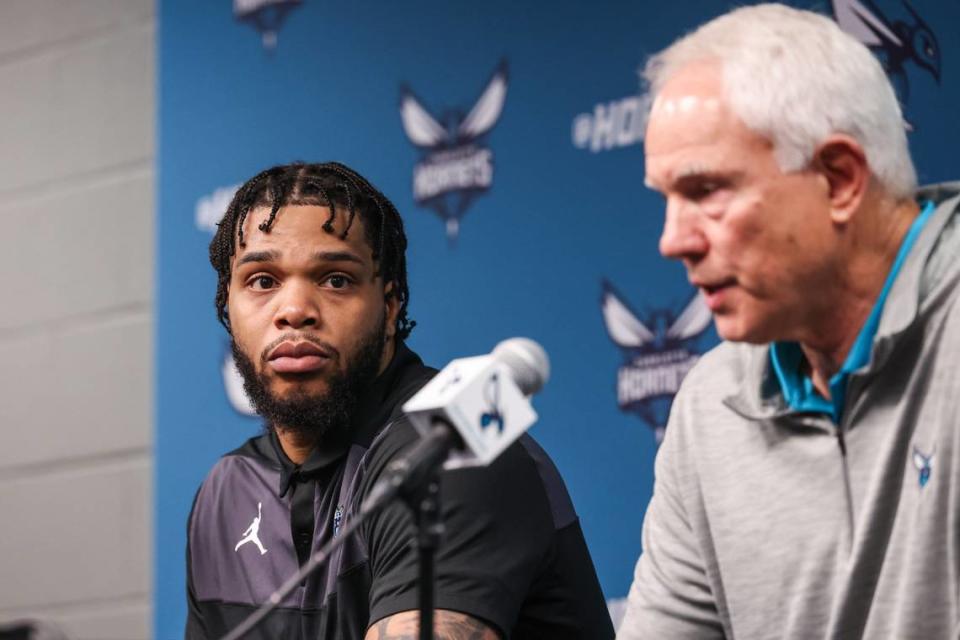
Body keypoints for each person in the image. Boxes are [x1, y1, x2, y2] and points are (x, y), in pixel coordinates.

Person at [618, 4, 960, 639]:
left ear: (838, 179)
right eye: (665, 198)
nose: (672, 240)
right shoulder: (710, 403)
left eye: (705, 191)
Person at [185, 161, 614, 639]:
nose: (294, 312)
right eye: (262, 281)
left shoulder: (451, 452)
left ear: (389, 307)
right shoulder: (227, 493)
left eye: (335, 280)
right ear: (228, 307)